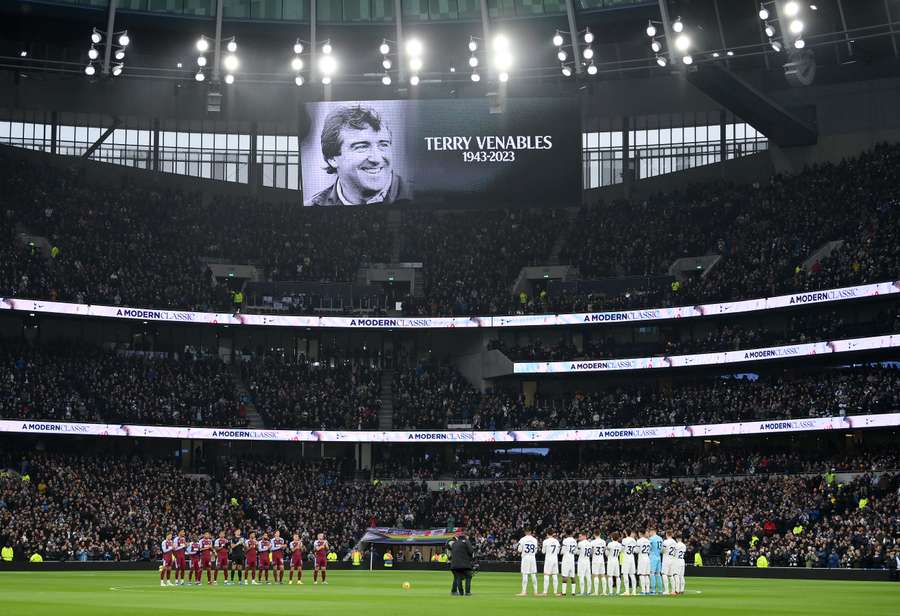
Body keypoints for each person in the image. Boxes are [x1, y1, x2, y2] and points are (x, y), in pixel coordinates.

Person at [305, 105, 412, 206]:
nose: (376, 158)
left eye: (383, 145)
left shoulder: (419, 196)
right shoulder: (313, 207)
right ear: (332, 158)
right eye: (362, 147)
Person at [449, 532, 475, 596]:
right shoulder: (466, 541)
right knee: (469, 576)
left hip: (454, 564)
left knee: (458, 577)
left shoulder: (454, 543)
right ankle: (467, 592)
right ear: (466, 536)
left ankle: (460, 593)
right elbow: (471, 551)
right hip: (464, 563)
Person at [516, 529, 538, 596]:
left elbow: (519, 550)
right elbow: (536, 550)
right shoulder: (535, 540)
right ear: (531, 532)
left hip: (525, 557)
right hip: (532, 557)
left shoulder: (522, 539)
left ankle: (524, 592)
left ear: (525, 532)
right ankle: (535, 592)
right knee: (533, 574)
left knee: (525, 574)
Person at [541, 530, 561, 596]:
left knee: (546, 574)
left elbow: (543, 551)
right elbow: (558, 551)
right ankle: (555, 592)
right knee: (554, 575)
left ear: (547, 534)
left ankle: (545, 592)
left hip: (548, 559)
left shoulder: (545, 541)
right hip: (555, 559)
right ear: (553, 534)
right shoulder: (556, 541)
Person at [560, 531, 577, 596]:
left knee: (564, 576)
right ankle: (573, 592)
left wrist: (561, 552)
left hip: (566, 559)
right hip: (572, 559)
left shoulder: (565, 540)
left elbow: (563, 551)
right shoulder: (574, 541)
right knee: (572, 576)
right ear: (572, 534)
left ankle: (564, 592)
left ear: (566, 534)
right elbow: (575, 551)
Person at [605, 531, 623, 596]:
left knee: (610, 576)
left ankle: (611, 591)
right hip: (616, 560)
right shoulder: (619, 545)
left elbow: (606, 553)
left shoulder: (610, 544)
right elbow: (620, 551)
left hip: (610, 560)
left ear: (612, 537)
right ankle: (618, 591)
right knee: (617, 576)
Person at [590, 530, 607, 596]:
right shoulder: (603, 541)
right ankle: (604, 592)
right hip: (601, 559)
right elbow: (604, 549)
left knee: (596, 575)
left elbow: (591, 551)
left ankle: (596, 592)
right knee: (603, 575)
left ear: (594, 534)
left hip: (595, 560)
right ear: (600, 534)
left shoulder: (592, 542)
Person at [621, 529, 637, 596]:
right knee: (632, 575)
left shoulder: (624, 540)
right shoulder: (633, 540)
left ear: (626, 533)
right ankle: (634, 591)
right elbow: (635, 550)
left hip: (626, 558)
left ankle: (627, 591)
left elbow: (622, 549)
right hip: (632, 558)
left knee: (625, 574)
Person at [648, 527, 663, 595]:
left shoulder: (651, 538)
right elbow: (662, 549)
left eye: (650, 532)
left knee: (652, 573)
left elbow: (649, 548)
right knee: (658, 574)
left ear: (652, 531)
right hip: (659, 557)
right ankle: (660, 590)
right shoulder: (660, 538)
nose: (649, 533)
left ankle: (653, 590)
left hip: (653, 557)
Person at [662, 531, 677, 595]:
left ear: (666, 534)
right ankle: (673, 591)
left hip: (666, 559)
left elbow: (663, 550)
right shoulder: (674, 542)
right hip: (672, 559)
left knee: (664, 574)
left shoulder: (665, 542)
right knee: (671, 575)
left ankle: (666, 590)